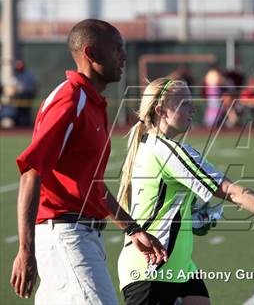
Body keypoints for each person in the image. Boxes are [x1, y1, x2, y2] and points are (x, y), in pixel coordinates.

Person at [117, 78, 254, 305]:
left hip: (177, 266)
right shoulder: (167, 150)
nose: (193, 107)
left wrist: (192, 216)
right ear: (161, 111)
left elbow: (160, 202)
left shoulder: (148, 144)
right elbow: (231, 191)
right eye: (184, 102)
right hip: (153, 269)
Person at [10, 19, 168, 304]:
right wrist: (25, 250)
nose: (124, 57)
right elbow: (31, 173)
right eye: (117, 49)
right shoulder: (71, 99)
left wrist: (132, 229)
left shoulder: (91, 101)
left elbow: (90, 186)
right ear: (91, 54)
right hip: (66, 237)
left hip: (82, 236)